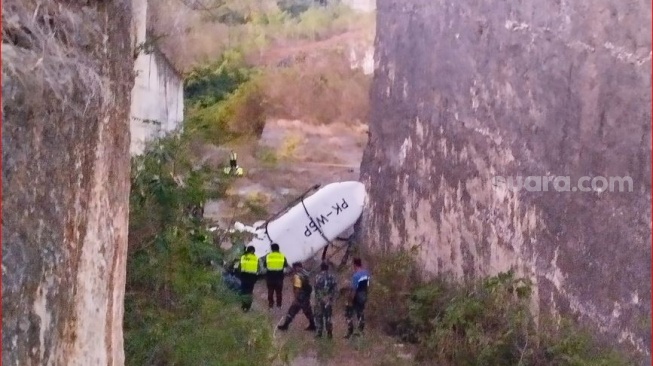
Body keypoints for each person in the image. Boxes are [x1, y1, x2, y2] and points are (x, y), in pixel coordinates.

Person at [277, 262, 316, 331]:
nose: (293, 269)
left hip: (300, 296)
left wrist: (296, 298)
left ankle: (285, 326)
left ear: (297, 267)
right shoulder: (305, 273)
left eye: (294, 268)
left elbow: (297, 288)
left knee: (292, 310)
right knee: (307, 311)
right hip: (306, 295)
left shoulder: (297, 276)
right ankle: (313, 325)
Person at [345, 257, 370, 338]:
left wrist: (350, 299)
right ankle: (360, 331)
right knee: (361, 313)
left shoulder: (356, 276)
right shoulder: (366, 273)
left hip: (357, 296)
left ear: (355, 265)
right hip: (364, 295)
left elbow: (354, 289)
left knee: (348, 313)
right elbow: (368, 285)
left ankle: (350, 331)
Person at [313, 261, 337, 339]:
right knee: (328, 316)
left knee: (318, 316)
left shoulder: (317, 277)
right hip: (328, 300)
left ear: (321, 268)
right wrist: (331, 298)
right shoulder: (332, 277)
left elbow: (315, 288)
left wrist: (318, 298)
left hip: (319, 299)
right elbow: (335, 289)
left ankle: (319, 332)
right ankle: (329, 332)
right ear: (328, 268)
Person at [263, 243, 290, 309]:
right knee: (279, 292)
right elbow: (286, 265)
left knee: (270, 291)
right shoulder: (282, 256)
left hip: (270, 277)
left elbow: (264, 265)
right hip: (279, 276)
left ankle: (271, 304)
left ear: (271, 249)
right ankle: (279, 305)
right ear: (278, 248)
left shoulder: (268, 256)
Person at [238, 246, 260, 312]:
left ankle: (243, 305)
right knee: (249, 292)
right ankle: (248, 307)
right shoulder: (256, 258)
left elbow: (239, 267)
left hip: (244, 276)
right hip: (252, 277)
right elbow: (258, 269)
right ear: (253, 251)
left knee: (243, 291)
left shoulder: (243, 257)